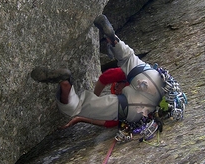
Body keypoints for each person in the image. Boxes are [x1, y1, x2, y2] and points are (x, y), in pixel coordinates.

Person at [31, 14, 165, 129]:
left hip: (143, 97)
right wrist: (90, 106)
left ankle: (113, 40)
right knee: (127, 57)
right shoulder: (123, 86)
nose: (117, 90)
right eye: (117, 88)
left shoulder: (121, 84)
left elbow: (105, 117)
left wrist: (83, 115)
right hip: (150, 89)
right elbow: (106, 118)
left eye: (116, 88)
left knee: (128, 57)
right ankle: (65, 83)